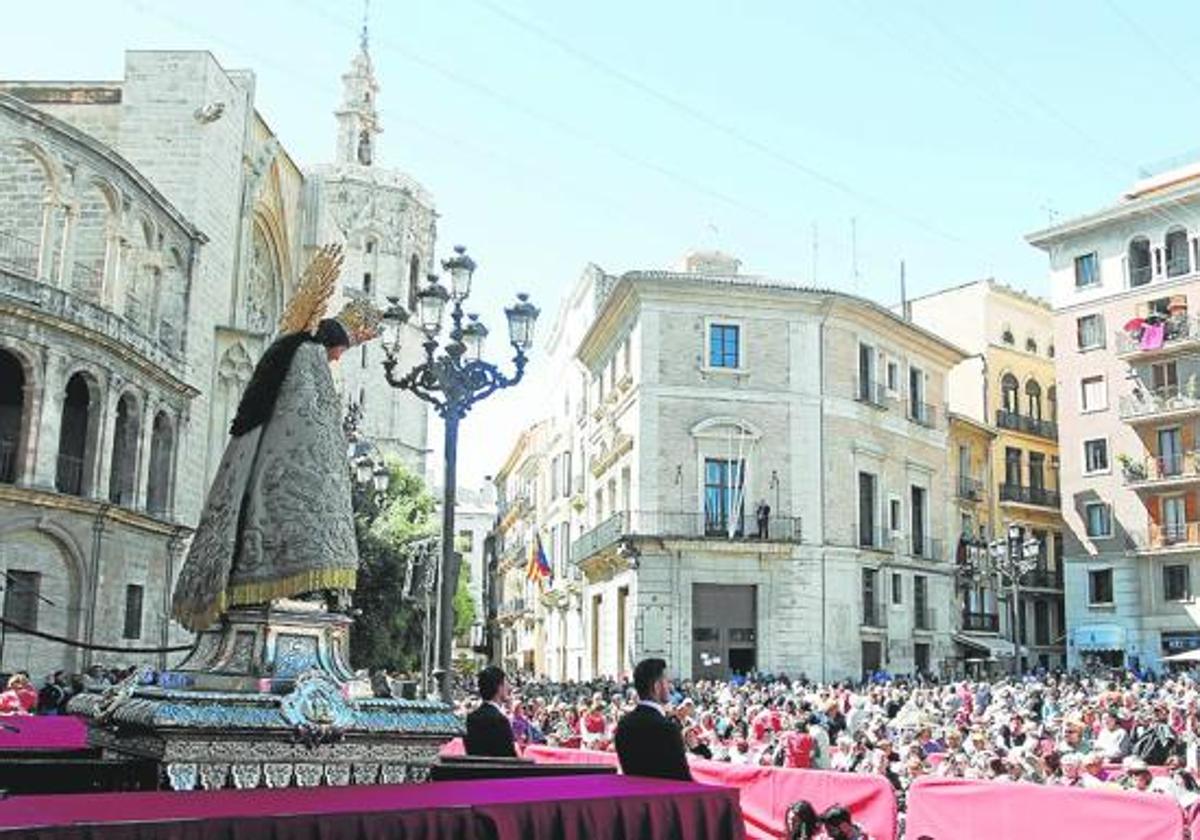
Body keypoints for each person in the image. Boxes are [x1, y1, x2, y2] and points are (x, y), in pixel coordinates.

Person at [172, 245, 383, 631]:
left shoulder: (289, 348)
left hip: (252, 452)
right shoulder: (309, 355)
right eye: (341, 352)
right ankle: (273, 584)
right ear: (336, 343)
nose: (338, 359)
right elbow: (312, 420)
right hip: (278, 458)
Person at [615, 657, 692, 780]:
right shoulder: (667, 728)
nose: (670, 686)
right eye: (667, 681)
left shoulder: (623, 724)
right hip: (664, 796)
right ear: (657, 687)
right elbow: (682, 778)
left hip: (633, 796)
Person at [465, 666, 517, 758]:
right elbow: (509, 758)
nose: (509, 687)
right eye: (506, 683)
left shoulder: (471, 718)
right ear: (499, 687)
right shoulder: (500, 720)